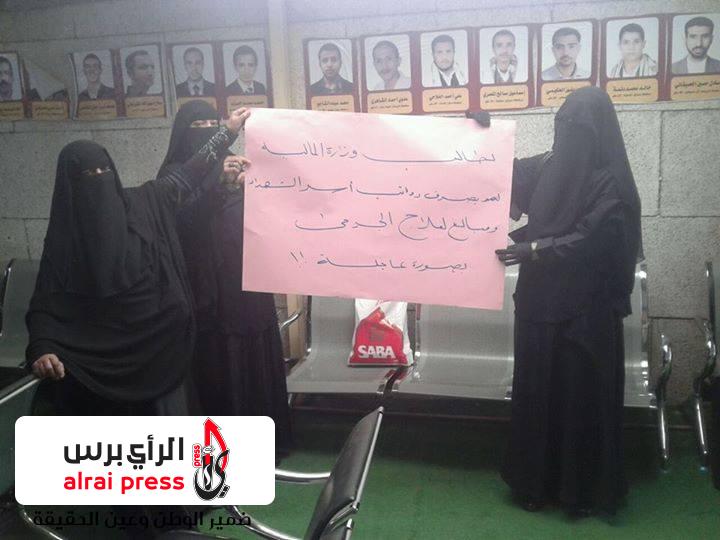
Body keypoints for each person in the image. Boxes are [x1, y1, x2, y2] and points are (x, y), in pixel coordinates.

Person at [26, 107, 250, 418]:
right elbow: (44, 305)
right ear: (69, 191)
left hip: (160, 352)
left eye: (104, 171)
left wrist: (228, 132)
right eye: (88, 176)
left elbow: (188, 174)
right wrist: (42, 348)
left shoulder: (145, 204)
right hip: (99, 370)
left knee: (172, 440)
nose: (99, 180)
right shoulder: (63, 246)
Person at [486, 87, 642, 515]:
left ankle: (579, 490)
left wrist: (535, 249)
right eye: (562, 124)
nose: (568, 134)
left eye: (578, 129)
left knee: (577, 399)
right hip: (539, 306)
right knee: (537, 393)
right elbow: (502, 173)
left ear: (599, 133)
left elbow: (592, 238)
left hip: (585, 314)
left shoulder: (611, 183)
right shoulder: (548, 165)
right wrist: (480, 135)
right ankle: (534, 484)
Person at [158, 101, 292, 458]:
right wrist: (218, 185)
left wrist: (251, 186)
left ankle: (266, 442)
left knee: (255, 351)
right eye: (196, 125)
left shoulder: (236, 163)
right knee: (221, 359)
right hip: (208, 287)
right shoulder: (174, 175)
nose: (204, 130)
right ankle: (225, 448)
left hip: (248, 281)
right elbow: (183, 222)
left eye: (210, 122)